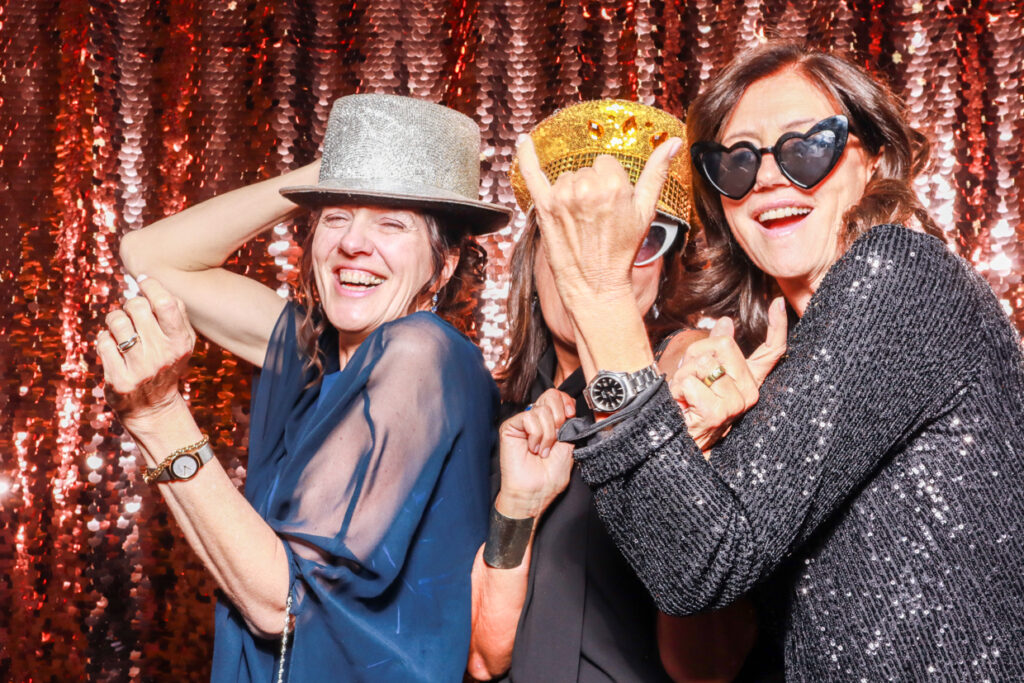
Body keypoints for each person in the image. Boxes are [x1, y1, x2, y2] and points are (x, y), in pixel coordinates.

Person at [518, 43, 1024, 679]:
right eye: (735, 162)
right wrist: (696, 444)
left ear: (870, 160)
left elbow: (705, 563)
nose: (766, 176)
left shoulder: (901, 271)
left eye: (806, 146)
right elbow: (698, 642)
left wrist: (601, 295)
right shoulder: (774, 369)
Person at [97, 94, 510, 681]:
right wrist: (326, 171)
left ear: (443, 266)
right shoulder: (312, 352)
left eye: (392, 223)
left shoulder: (420, 352)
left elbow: (278, 602)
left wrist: (159, 418)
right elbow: (149, 256)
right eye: (336, 216)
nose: (352, 243)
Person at [466, 100, 785, 682]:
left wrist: (691, 395)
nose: (600, 256)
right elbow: (485, 658)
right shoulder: (500, 419)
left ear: (666, 268)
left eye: (642, 237)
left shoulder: (689, 383)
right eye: (574, 232)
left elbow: (708, 667)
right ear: (535, 250)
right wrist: (519, 506)